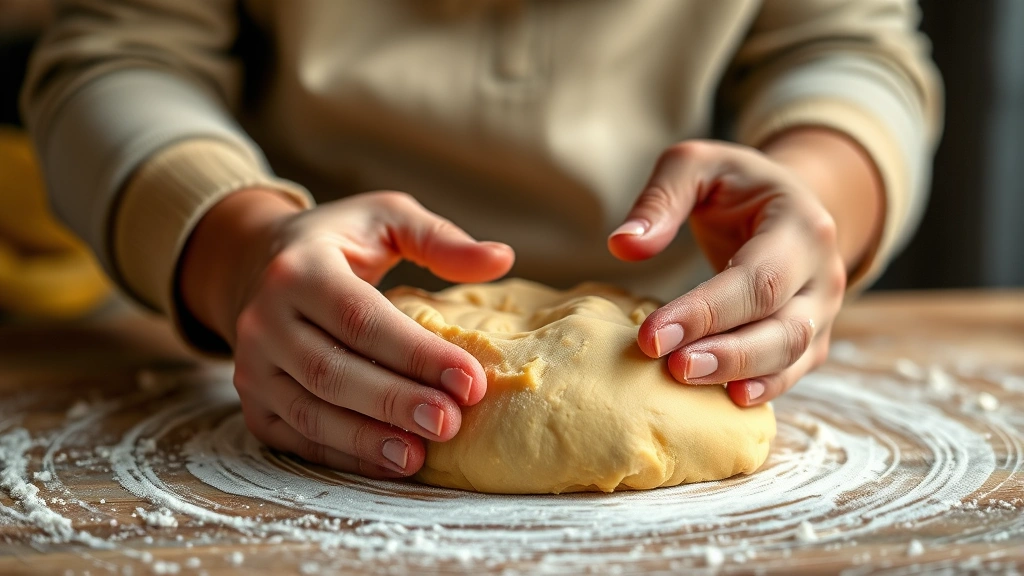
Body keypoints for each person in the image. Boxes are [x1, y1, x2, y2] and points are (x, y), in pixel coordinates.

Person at [21, 0, 941, 478]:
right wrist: (238, 249)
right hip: (313, 328)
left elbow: (848, 44)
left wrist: (819, 190)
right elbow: (119, 52)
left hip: (688, 324)